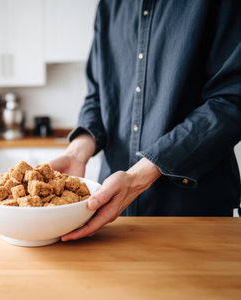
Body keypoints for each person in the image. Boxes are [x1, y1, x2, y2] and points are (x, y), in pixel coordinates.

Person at [49, 0, 241, 242]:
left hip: (193, 213)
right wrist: (77, 152)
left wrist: (137, 177)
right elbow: (97, 94)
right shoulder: (109, 6)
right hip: (110, 215)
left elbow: (232, 98)